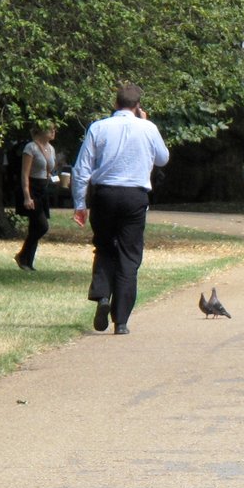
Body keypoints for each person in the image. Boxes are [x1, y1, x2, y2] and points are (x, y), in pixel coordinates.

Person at [71, 82, 170, 336]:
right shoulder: (148, 128)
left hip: (104, 193)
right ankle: (121, 320)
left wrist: (80, 204)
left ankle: (103, 295)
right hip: (134, 196)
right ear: (138, 106)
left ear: (115, 104)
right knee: (129, 254)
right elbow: (163, 158)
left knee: (103, 246)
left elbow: (82, 169)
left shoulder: (99, 127)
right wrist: (146, 122)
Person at [15, 125, 56, 271]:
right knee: (42, 226)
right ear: (40, 130)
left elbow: (49, 170)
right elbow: (24, 174)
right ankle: (22, 255)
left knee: (35, 226)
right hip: (32, 189)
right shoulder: (30, 148)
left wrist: (55, 178)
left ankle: (28, 262)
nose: (53, 132)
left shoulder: (51, 149)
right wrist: (27, 196)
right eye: (50, 129)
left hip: (43, 188)